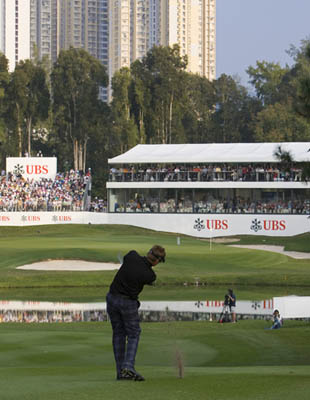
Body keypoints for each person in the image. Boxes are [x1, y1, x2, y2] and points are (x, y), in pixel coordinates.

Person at [106, 245, 166, 381]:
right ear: (157, 261)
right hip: (128, 303)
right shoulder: (150, 275)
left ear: (149, 252)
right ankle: (128, 367)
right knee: (134, 333)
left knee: (118, 333)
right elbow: (148, 278)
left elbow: (128, 260)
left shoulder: (132, 255)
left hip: (111, 299)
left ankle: (120, 372)